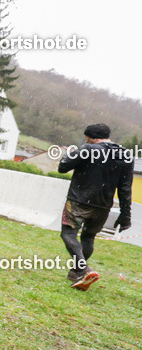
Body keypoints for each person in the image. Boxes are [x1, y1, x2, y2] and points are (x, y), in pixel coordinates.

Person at [56, 123, 132, 290]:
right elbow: (125, 188)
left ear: (93, 138)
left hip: (79, 201)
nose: (87, 141)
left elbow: (63, 167)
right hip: (103, 206)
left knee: (68, 233)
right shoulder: (125, 155)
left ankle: (83, 269)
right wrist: (125, 214)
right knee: (88, 237)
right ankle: (76, 273)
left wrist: (71, 153)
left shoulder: (88, 149)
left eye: (87, 138)